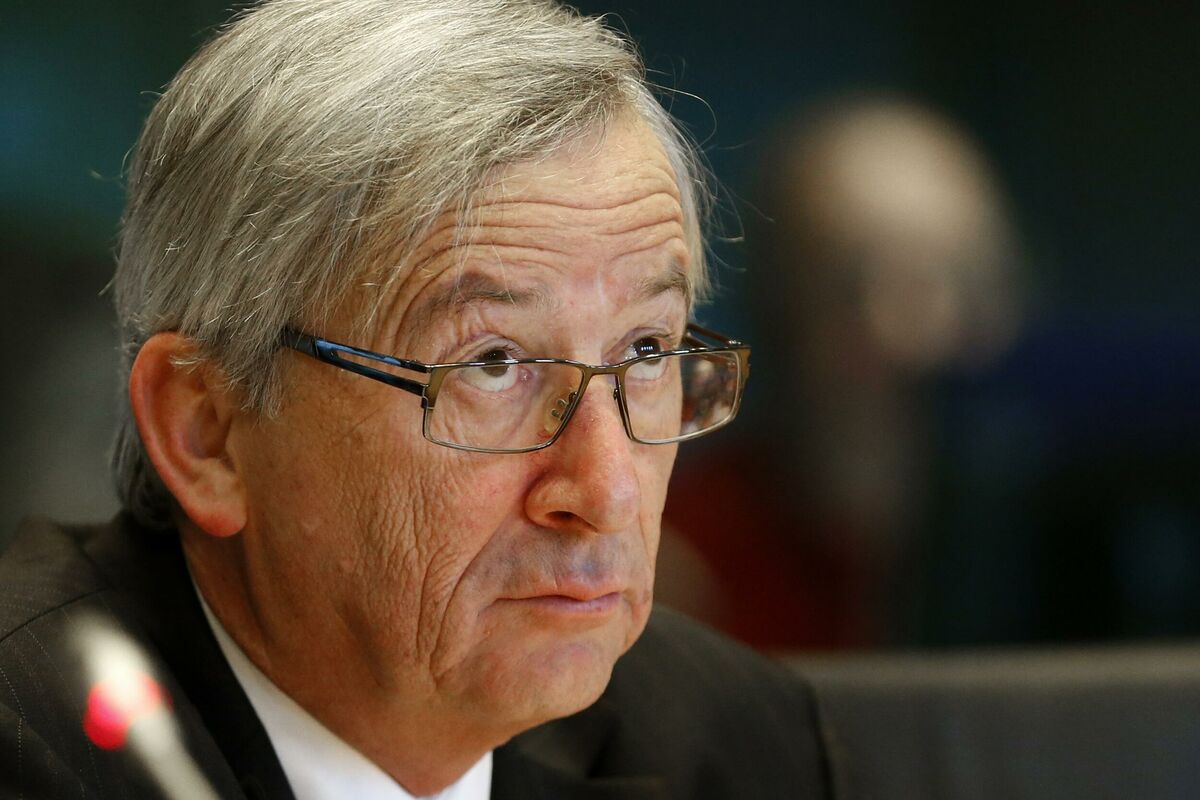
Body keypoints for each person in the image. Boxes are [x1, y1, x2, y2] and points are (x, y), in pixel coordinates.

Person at [0, 1, 827, 797]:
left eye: (646, 351)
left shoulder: (739, 744)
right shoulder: (29, 747)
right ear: (206, 431)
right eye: (492, 365)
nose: (608, 493)